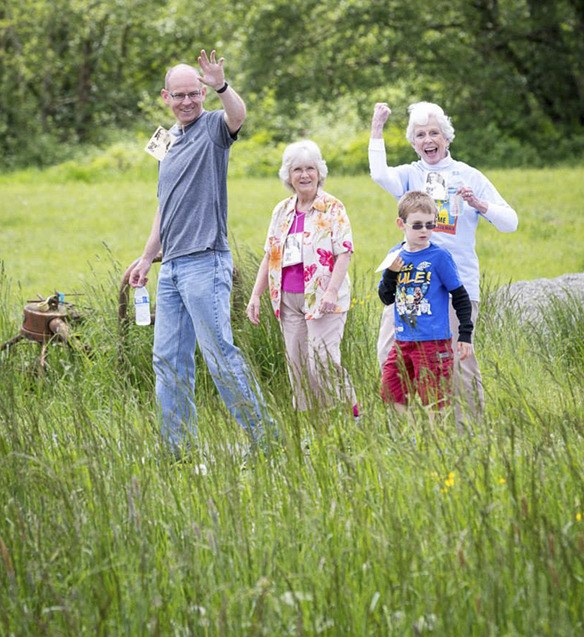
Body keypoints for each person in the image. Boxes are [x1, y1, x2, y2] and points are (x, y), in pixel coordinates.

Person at [126, 49, 269, 456]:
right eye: (179, 95)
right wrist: (145, 256)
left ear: (202, 94)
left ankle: (267, 441)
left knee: (220, 355)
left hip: (205, 263)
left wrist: (221, 84)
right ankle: (179, 451)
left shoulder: (212, 128)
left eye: (194, 93)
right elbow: (163, 204)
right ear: (165, 97)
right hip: (170, 269)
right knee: (168, 360)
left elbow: (238, 116)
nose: (187, 101)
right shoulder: (165, 141)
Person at [369, 101, 518, 418]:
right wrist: (377, 127)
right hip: (411, 283)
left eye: (434, 132)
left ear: (447, 137)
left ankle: (470, 436)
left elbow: (511, 222)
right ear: (413, 142)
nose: (428, 140)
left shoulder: (468, 175)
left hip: (455, 283)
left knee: (457, 359)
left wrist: (480, 205)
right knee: (391, 355)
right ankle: (407, 435)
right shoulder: (411, 174)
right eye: (420, 134)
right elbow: (379, 174)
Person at [246, 140, 358, 418]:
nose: (304, 175)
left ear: (319, 172)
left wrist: (331, 292)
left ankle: (349, 412)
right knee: (297, 366)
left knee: (321, 361)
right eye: (297, 169)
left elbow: (344, 253)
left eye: (310, 168)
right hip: (288, 299)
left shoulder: (332, 207)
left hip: (323, 299)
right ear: (288, 176)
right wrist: (255, 296)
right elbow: (269, 255)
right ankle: (312, 425)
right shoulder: (282, 210)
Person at [378, 191, 473, 411]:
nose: (424, 231)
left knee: (435, 401)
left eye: (430, 225)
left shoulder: (439, 257)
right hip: (402, 341)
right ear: (401, 224)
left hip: (432, 342)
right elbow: (386, 297)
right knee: (392, 393)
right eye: (417, 225)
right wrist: (391, 273)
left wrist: (465, 334)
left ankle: (435, 441)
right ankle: (407, 440)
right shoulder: (395, 254)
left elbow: (460, 296)